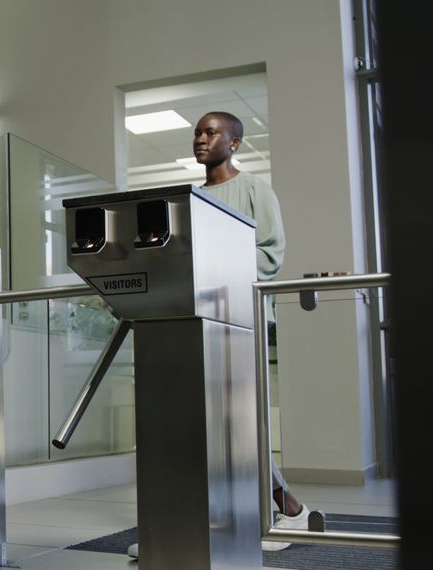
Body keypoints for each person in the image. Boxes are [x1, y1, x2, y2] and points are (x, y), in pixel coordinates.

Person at [127, 111, 308, 558]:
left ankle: (290, 507)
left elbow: (270, 255)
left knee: (239, 421)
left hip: (238, 318)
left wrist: (218, 269)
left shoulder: (253, 190)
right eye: (197, 133)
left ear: (236, 142)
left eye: (211, 132)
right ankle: (180, 527)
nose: (201, 139)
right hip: (189, 321)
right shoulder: (188, 198)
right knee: (191, 425)